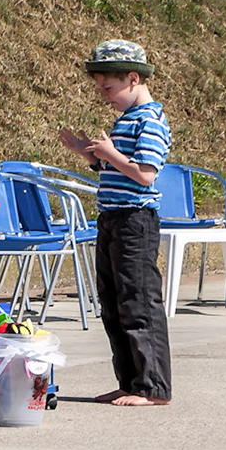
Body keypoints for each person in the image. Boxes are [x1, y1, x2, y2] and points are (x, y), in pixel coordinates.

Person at [57, 39, 172, 406]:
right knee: (112, 302)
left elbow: (144, 174)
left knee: (138, 301)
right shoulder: (127, 119)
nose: (105, 96)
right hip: (111, 217)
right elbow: (116, 168)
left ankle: (153, 387)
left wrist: (110, 153)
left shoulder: (151, 120)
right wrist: (92, 157)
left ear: (133, 79)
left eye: (109, 88)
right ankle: (130, 381)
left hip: (135, 221)